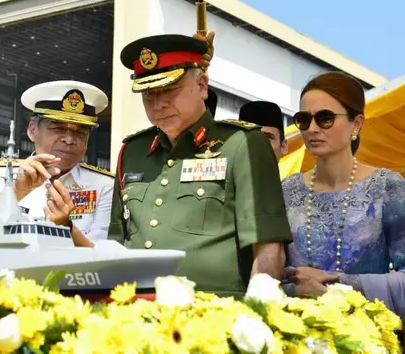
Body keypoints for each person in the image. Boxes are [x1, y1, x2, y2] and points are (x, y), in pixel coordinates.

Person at [108, 33, 292, 297]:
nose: (159, 104)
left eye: (170, 90)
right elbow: (115, 246)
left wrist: (255, 318)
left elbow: (268, 249)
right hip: (135, 316)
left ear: (202, 85)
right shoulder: (132, 151)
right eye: (149, 95)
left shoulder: (242, 144)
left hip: (212, 319)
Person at [282, 72, 405, 319]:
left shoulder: (387, 187)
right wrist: (292, 288)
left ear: (356, 124)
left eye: (325, 118)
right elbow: (267, 275)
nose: (312, 129)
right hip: (292, 333)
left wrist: (340, 284)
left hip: (366, 334)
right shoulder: (286, 190)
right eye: (304, 119)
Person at [0, 81, 114, 244]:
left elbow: (101, 254)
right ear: (32, 131)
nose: (69, 140)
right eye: (58, 129)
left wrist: (67, 228)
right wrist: (16, 191)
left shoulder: (103, 185)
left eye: (80, 132)